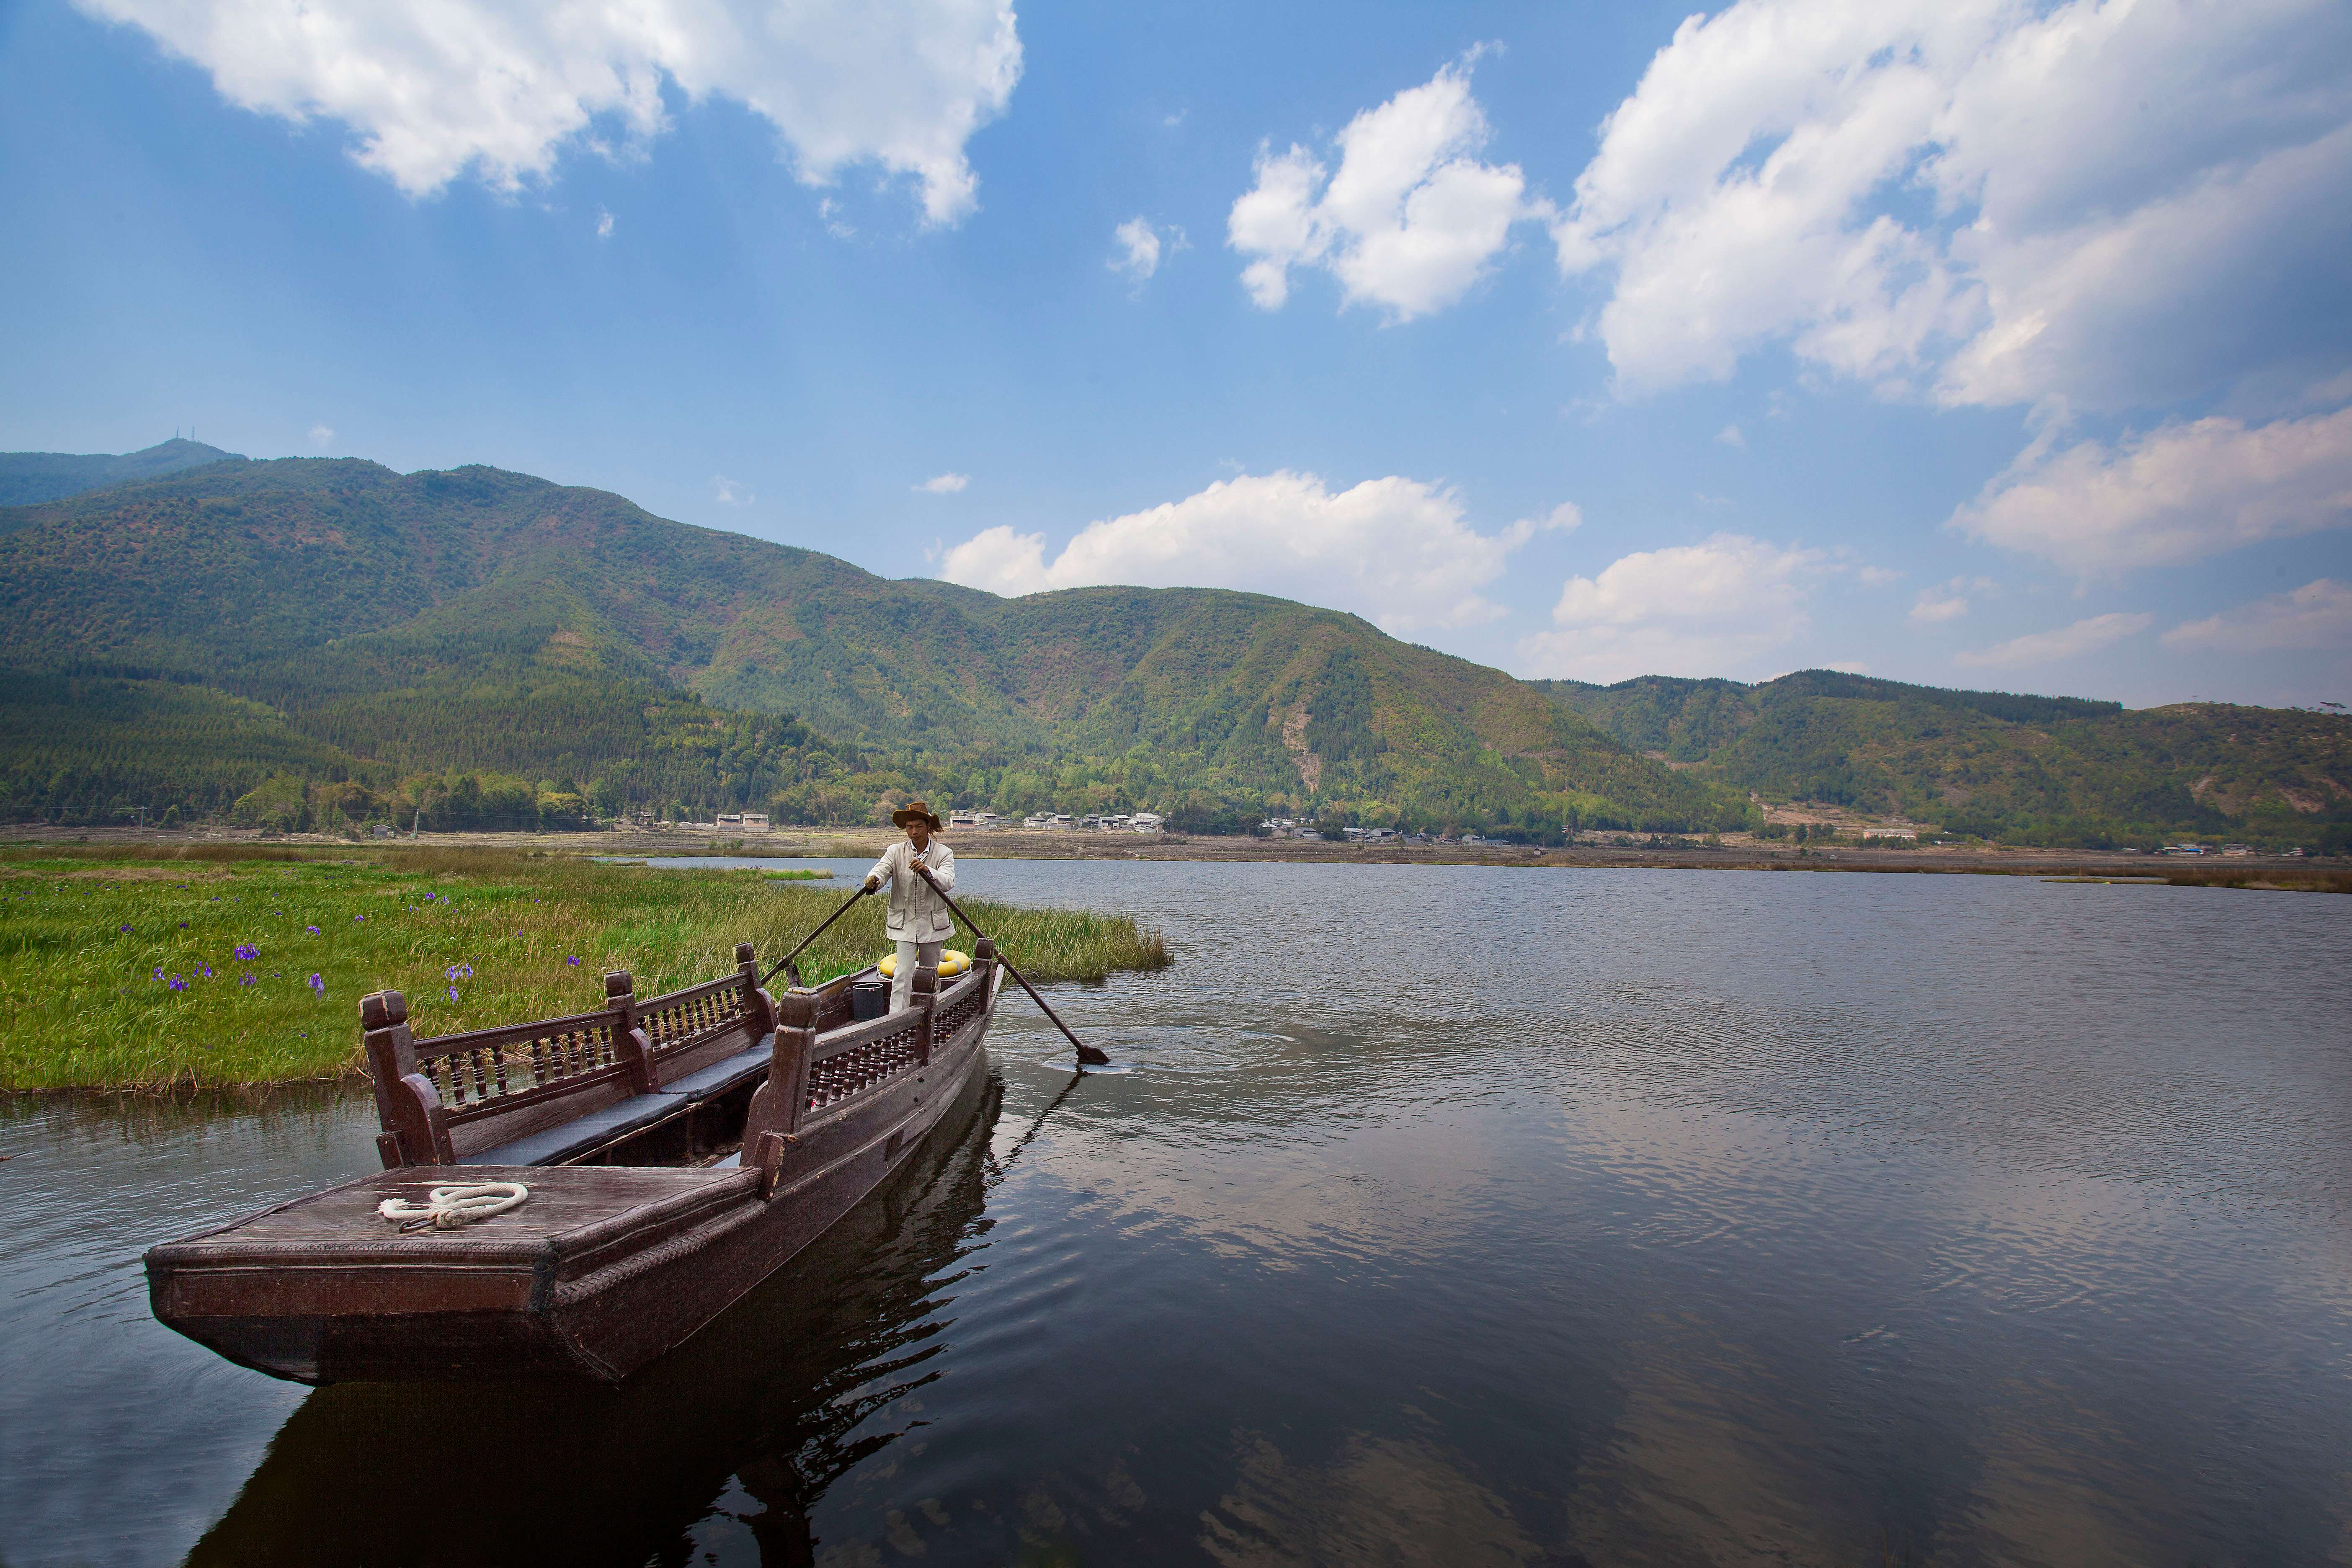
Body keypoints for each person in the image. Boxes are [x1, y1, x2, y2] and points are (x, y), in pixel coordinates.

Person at [864, 800, 955, 1014]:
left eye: (918, 827)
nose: (914, 832)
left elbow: (948, 882)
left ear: (928, 827)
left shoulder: (944, 853)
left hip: (933, 925)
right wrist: (873, 880)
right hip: (905, 924)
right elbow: (882, 871)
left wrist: (927, 870)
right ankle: (897, 1022)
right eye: (909, 828)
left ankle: (929, 1015)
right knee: (903, 974)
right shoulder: (896, 851)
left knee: (929, 975)